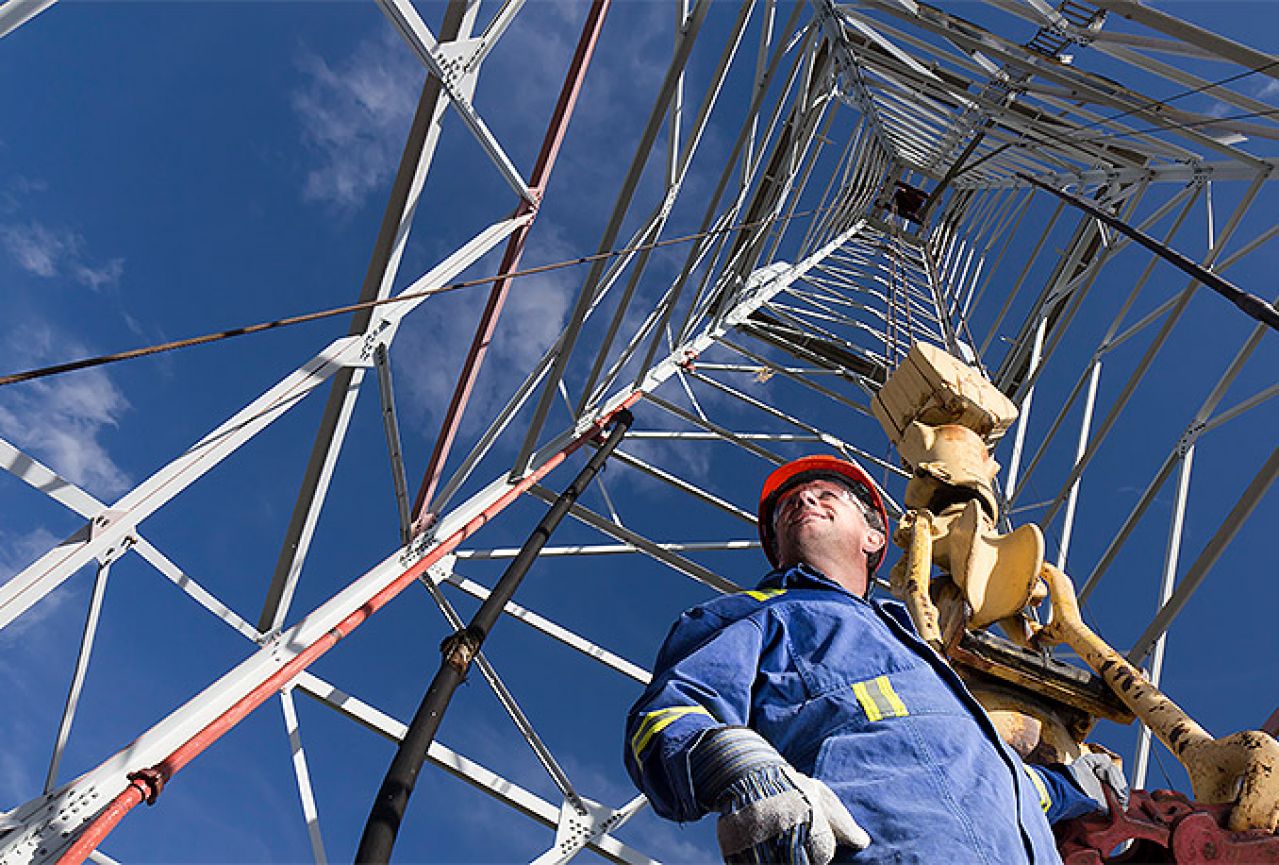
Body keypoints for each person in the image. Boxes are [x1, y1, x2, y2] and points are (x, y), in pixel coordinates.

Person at [624, 454, 1126, 864]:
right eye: (787, 508)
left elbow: (987, 779)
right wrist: (742, 771)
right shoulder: (757, 616)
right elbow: (667, 717)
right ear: (777, 550)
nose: (802, 498)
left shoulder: (923, 658)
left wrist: (1079, 784)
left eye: (827, 495)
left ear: (875, 539)